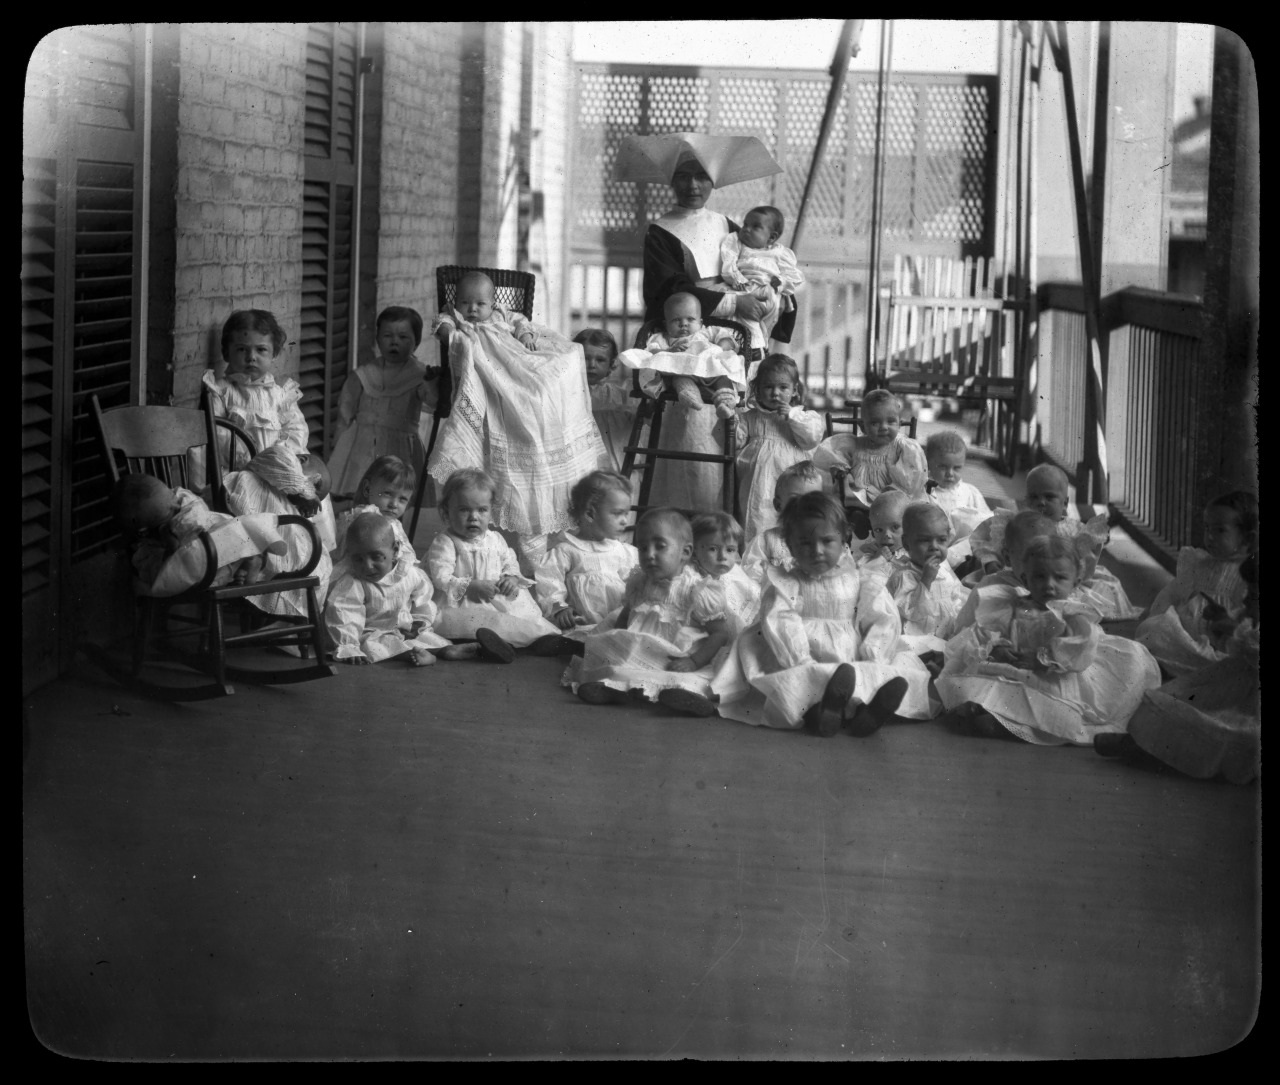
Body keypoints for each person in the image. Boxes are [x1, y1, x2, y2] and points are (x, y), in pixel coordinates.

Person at [667, 492, 932, 736]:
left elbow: (882, 618)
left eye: (827, 541)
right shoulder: (787, 582)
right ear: (791, 547)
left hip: (849, 653)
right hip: (796, 654)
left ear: (843, 539)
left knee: (862, 674)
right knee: (780, 668)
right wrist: (800, 660)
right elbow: (780, 621)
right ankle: (823, 713)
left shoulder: (861, 580)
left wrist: (873, 654)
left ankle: (864, 712)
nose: (816, 551)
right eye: (804, 543)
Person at [640, 153, 794, 511]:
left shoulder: (727, 225)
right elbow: (667, 290)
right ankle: (692, 509)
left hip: (740, 327)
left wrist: (770, 298)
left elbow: (755, 265)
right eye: (683, 176)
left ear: (714, 182)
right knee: (695, 427)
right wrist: (731, 305)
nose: (692, 185)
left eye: (702, 177)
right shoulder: (661, 231)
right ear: (671, 180)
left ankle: (736, 509)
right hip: (693, 322)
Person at [427, 272, 604, 572]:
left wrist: (525, 336)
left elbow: (522, 324)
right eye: (465, 302)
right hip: (488, 367)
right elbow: (442, 327)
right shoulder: (456, 318)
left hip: (515, 359)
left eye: (479, 303)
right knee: (515, 397)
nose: (472, 309)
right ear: (456, 303)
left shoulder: (502, 315)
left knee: (557, 370)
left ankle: (540, 416)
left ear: (492, 303)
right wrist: (453, 332)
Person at [935, 535, 1161, 745]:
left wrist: (1045, 658)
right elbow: (989, 632)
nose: (1049, 584)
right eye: (1040, 576)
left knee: (1042, 704)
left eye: (1060, 577)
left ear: (1075, 581)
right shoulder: (1011, 603)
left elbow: (1078, 650)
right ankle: (987, 710)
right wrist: (997, 648)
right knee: (980, 683)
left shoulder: (1071, 616)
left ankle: (1005, 724)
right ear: (1025, 578)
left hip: (1053, 676)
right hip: (1013, 668)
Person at [203, 309, 336, 619]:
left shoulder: (280, 395)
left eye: (261, 350)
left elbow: (297, 431)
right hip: (241, 474)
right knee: (270, 497)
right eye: (241, 350)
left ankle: (290, 587)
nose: (251, 357)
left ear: (274, 353)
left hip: (278, 471)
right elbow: (218, 438)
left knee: (295, 475)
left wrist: (283, 453)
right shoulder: (222, 392)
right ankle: (264, 572)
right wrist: (257, 459)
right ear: (227, 352)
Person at [1104, 554, 1259, 783]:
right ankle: (1139, 741)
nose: (1245, 601)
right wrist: (1227, 624)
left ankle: (1147, 750)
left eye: (1253, 596)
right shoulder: (1250, 618)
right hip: (1233, 680)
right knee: (1175, 697)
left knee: (1213, 725)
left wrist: (1235, 630)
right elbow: (1239, 647)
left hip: (1249, 702)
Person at [563, 508, 731, 706]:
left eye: (660, 546)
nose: (649, 554)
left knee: (687, 678)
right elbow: (627, 614)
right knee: (617, 662)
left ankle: (688, 697)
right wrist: (618, 641)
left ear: (685, 552)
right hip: (641, 648)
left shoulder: (697, 589)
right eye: (642, 548)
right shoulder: (639, 582)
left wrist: (694, 661)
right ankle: (612, 688)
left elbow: (719, 633)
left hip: (677, 655)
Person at [968, 463, 1139, 620]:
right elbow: (989, 544)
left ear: (1065, 503)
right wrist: (991, 562)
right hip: (1020, 575)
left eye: (1049, 497)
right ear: (1026, 500)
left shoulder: (1072, 530)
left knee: (1095, 593)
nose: (1041, 503)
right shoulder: (1017, 523)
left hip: (1058, 578)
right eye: (1034, 497)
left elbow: (1084, 559)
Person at [424, 467, 560, 654]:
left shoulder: (495, 539)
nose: (474, 517)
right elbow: (441, 577)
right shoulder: (446, 542)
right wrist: (470, 586)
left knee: (518, 622)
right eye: (464, 510)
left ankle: (537, 642)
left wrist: (511, 579)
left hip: (496, 599)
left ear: (491, 511)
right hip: (463, 601)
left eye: (482, 510)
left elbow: (509, 562)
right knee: (475, 624)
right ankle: (489, 646)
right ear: (446, 512)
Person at [324, 511, 485, 667]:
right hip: (371, 632)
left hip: (404, 629)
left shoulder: (408, 573)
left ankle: (445, 650)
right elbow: (345, 615)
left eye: (376, 557)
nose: (367, 566)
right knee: (378, 646)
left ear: (394, 551)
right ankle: (411, 655)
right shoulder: (354, 583)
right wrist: (350, 646)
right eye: (358, 559)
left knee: (425, 637)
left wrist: (419, 621)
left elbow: (423, 598)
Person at [1135, 490, 1256, 677]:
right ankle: (1176, 662)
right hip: (1183, 635)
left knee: (1231, 664)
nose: (1210, 536)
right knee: (1153, 630)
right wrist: (1156, 612)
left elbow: (1247, 617)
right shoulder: (1199, 562)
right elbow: (1172, 593)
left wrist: (1228, 624)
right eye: (1207, 528)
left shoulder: (1248, 574)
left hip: (1221, 642)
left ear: (1246, 538)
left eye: (1220, 530)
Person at [327, 306, 438, 500]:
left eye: (403, 337)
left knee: (395, 491)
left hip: (401, 447)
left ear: (416, 342)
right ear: (377, 338)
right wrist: (338, 442)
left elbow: (434, 403)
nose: (394, 342)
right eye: (387, 336)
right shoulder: (364, 374)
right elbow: (346, 411)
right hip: (361, 444)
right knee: (359, 489)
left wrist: (433, 383)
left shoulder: (419, 376)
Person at [113, 473, 286, 596]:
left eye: (172, 500)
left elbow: (197, 511)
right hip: (199, 565)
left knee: (240, 528)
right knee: (188, 564)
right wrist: (171, 547)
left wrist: (180, 528)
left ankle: (249, 560)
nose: (176, 507)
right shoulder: (146, 547)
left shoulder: (180, 500)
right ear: (143, 529)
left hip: (213, 537)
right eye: (169, 513)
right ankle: (243, 565)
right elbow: (162, 575)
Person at [535, 471, 639, 645]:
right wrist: (559, 608)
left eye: (626, 514)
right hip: (580, 622)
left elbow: (636, 584)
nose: (624, 521)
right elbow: (549, 583)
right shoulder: (567, 550)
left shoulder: (624, 552)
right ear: (590, 514)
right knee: (560, 634)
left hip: (616, 622)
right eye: (617, 513)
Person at [812, 389, 928, 537]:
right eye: (875, 423)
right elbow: (836, 457)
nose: (884, 427)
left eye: (891, 421)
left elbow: (912, 475)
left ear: (899, 423)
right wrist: (839, 468)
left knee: (898, 508)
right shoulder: (855, 444)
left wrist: (895, 491)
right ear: (862, 426)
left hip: (893, 496)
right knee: (853, 504)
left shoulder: (903, 447)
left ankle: (887, 526)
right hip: (864, 496)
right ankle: (861, 520)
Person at [734, 353, 824, 543]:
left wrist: (792, 416)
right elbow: (736, 441)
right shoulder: (750, 417)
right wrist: (730, 420)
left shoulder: (802, 416)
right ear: (757, 390)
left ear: (794, 391)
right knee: (757, 512)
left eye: (783, 387)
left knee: (792, 514)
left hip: (790, 477)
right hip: (757, 479)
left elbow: (812, 438)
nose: (775, 393)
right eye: (768, 387)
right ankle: (756, 554)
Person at [616, 291, 747, 421]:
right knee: (678, 380)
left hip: (710, 371)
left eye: (690, 319)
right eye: (676, 320)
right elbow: (651, 354)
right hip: (684, 373)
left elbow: (727, 339)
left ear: (700, 322)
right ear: (666, 324)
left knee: (723, 378)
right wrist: (670, 351)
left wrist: (719, 347)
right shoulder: (663, 338)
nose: (684, 324)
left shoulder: (706, 332)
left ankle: (725, 403)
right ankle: (691, 395)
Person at [885, 502, 970, 677]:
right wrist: (926, 580)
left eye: (941, 540)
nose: (934, 546)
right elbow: (911, 612)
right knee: (912, 662)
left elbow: (956, 599)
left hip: (945, 634)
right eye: (924, 540)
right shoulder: (904, 576)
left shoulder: (944, 570)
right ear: (907, 544)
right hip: (918, 638)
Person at [717, 205, 805, 352]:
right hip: (743, 287)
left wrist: (780, 283)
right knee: (735, 316)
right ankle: (736, 343)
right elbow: (729, 264)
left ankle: (758, 346)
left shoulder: (779, 253)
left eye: (755, 227)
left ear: (771, 237)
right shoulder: (738, 244)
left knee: (763, 321)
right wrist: (737, 279)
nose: (746, 229)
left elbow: (794, 276)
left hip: (768, 289)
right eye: (745, 224)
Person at [740, 460, 827, 584]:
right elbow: (750, 578)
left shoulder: (827, 539)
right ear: (778, 505)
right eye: (795, 499)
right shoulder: (765, 541)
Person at [332, 456, 418, 575]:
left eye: (402, 499)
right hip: (361, 574)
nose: (394, 504)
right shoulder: (363, 518)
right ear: (367, 489)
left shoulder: (394, 523)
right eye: (387, 493)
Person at [922, 429, 993, 571]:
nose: (950, 474)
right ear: (928, 464)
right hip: (932, 545)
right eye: (942, 467)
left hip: (963, 549)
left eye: (957, 468)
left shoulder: (970, 492)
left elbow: (986, 522)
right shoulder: (925, 491)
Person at [575, 329, 639, 479]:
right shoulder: (570, 394)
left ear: (611, 364)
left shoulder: (620, 395)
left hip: (615, 456)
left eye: (600, 360)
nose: (592, 365)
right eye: (585, 358)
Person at [690, 511, 761, 636]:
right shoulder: (692, 578)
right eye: (713, 549)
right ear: (694, 551)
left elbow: (752, 596)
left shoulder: (734, 573)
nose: (723, 557)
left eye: (730, 550)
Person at [854, 489, 912, 586]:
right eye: (878, 530)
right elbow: (860, 578)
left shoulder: (914, 550)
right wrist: (877, 560)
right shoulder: (872, 552)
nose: (887, 535)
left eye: (895, 527)